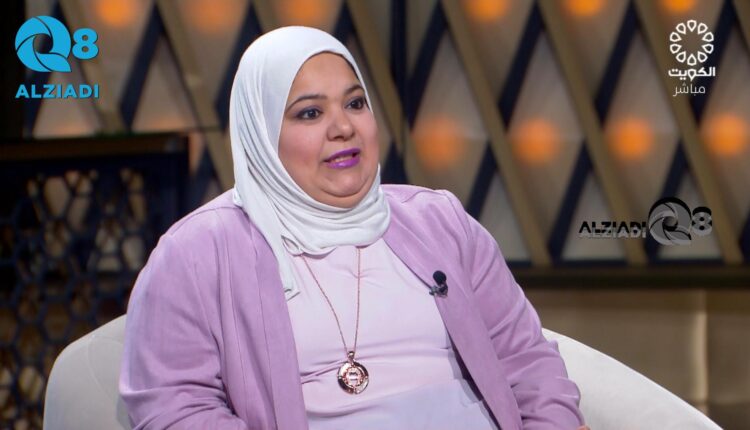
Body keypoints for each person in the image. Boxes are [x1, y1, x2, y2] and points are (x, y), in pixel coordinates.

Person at [120, 26, 588, 430]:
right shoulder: (198, 252)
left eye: (355, 103)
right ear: (261, 135)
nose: (343, 127)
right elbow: (174, 407)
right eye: (310, 112)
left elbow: (527, 361)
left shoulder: (440, 221)